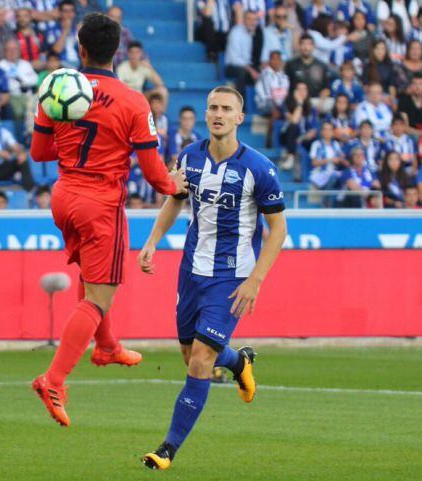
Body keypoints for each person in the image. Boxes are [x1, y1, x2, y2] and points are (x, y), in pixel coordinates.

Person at [29, 13, 187, 427]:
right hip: (101, 200)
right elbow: (154, 174)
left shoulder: (56, 89)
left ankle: (107, 346)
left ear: (79, 50)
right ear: (117, 51)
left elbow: (39, 154)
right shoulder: (134, 101)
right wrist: (177, 188)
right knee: (99, 298)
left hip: (63, 195)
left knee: (90, 274)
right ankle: (54, 380)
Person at [139, 86, 287, 470]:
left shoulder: (259, 168)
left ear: (240, 117)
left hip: (231, 276)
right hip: (191, 271)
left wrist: (255, 279)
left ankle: (167, 449)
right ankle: (238, 362)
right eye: (213, 108)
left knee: (201, 361)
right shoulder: (189, 157)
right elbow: (174, 200)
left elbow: (278, 230)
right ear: (206, 115)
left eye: (226, 109)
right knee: (191, 354)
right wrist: (153, 242)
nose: (218, 114)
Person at [224, 11, 262, 107]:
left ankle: (262, 105)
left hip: (245, 66)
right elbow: (234, 59)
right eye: (249, 19)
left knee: (264, 73)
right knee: (243, 73)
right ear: (244, 20)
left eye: (254, 20)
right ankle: (239, 105)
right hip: (232, 67)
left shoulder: (251, 33)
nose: (252, 22)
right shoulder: (236, 33)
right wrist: (251, 70)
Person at [285, 34, 332, 98]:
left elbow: (327, 87)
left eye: (309, 44)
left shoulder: (322, 66)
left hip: (316, 101)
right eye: (303, 44)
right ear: (299, 46)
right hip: (295, 100)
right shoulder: (291, 65)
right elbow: (286, 86)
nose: (306, 47)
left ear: (313, 46)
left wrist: (325, 93)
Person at [309, 121, 345, 195]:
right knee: (333, 178)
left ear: (332, 132)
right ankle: (326, 203)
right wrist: (329, 160)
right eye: (325, 129)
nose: (327, 132)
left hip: (333, 172)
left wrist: (339, 159)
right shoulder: (316, 144)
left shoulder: (336, 144)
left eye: (330, 130)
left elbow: (341, 158)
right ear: (322, 132)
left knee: (344, 177)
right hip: (320, 173)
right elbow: (314, 163)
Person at [44, 0, 79, 68]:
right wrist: (65, 31)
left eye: (71, 11)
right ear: (59, 13)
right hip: (61, 64)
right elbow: (56, 51)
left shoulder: (78, 29)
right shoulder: (52, 30)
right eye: (65, 11)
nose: (68, 14)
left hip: (79, 64)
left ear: (74, 13)